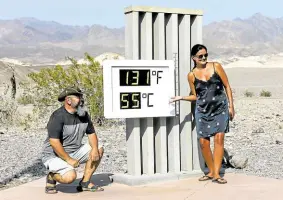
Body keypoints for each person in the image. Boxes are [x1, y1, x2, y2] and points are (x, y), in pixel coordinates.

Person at [170, 44, 235, 184]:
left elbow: (227, 86)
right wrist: (181, 97)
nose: (204, 58)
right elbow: (195, 96)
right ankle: (211, 171)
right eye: (200, 56)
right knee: (203, 142)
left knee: (219, 139)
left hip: (220, 108)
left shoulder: (216, 66)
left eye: (206, 55)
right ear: (194, 58)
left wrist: (231, 106)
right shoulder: (191, 75)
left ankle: (217, 174)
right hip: (202, 110)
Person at [41, 86, 104, 194]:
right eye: (78, 97)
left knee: (98, 148)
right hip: (54, 155)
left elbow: (91, 133)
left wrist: (94, 149)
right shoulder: (58, 116)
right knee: (70, 177)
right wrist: (69, 159)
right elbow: (54, 142)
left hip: (74, 152)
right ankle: (52, 176)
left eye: (81, 96)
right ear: (68, 100)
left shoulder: (83, 115)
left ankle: (85, 183)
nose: (81, 99)